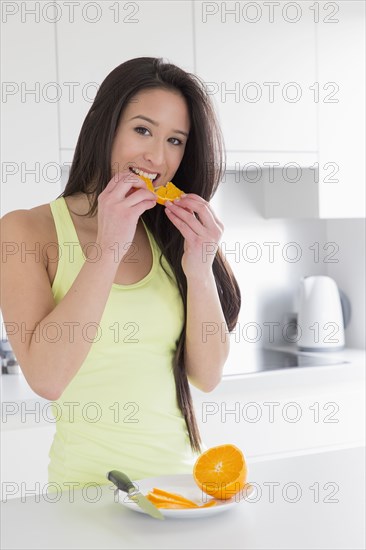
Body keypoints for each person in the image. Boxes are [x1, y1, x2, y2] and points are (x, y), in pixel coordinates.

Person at [1, 57, 241, 491]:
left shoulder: (170, 236)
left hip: (181, 493)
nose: (157, 156)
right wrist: (109, 245)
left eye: (175, 140)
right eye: (142, 130)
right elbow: (48, 379)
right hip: (85, 499)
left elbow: (207, 376)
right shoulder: (24, 231)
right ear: (104, 125)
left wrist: (200, 268)